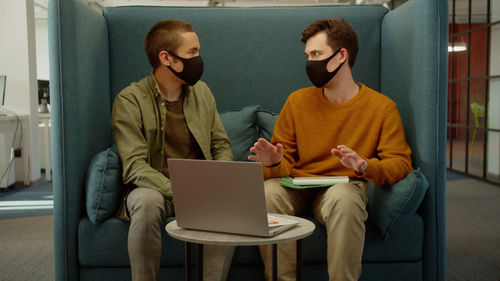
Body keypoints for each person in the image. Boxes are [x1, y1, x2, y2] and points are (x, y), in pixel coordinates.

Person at [248, 18, 413, 281]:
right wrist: (273, 163)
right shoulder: (297, 101)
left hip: (342, 188)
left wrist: (364, 166)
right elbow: (285, 165)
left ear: (341, 56)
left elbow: (401, 163)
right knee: (267, 192)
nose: (309, 63)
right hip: (297, 186)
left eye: (316, 54)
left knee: (346, 199)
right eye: (307, 55)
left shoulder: (382, 108)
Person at [111, 19, 234, 281]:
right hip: (154, 188)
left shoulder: (202, 91)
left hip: (202, 187)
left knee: (227, 206)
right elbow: (134, 166)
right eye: (192, 53)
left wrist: (221, 176)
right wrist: (179, 191)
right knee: (146, 203)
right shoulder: (129, 100)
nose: (198, 59)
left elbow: (220, 144)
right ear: (166, 57)